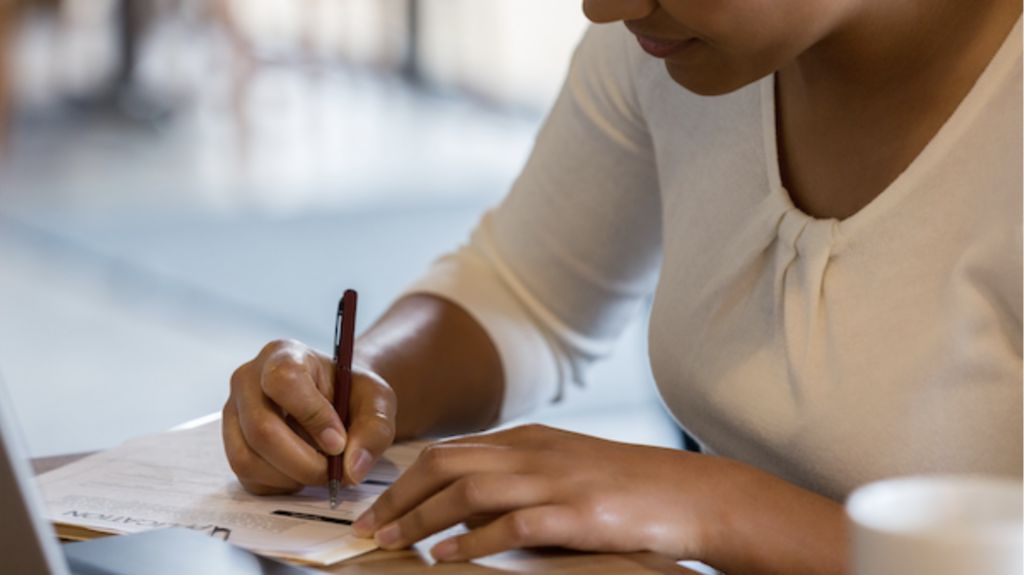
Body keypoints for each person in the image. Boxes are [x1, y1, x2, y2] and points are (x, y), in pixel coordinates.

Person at [221, 0, 1023, 572]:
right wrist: (366, 383)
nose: (602, 8)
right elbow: (523, 290)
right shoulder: (674, 46)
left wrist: (720, 510)